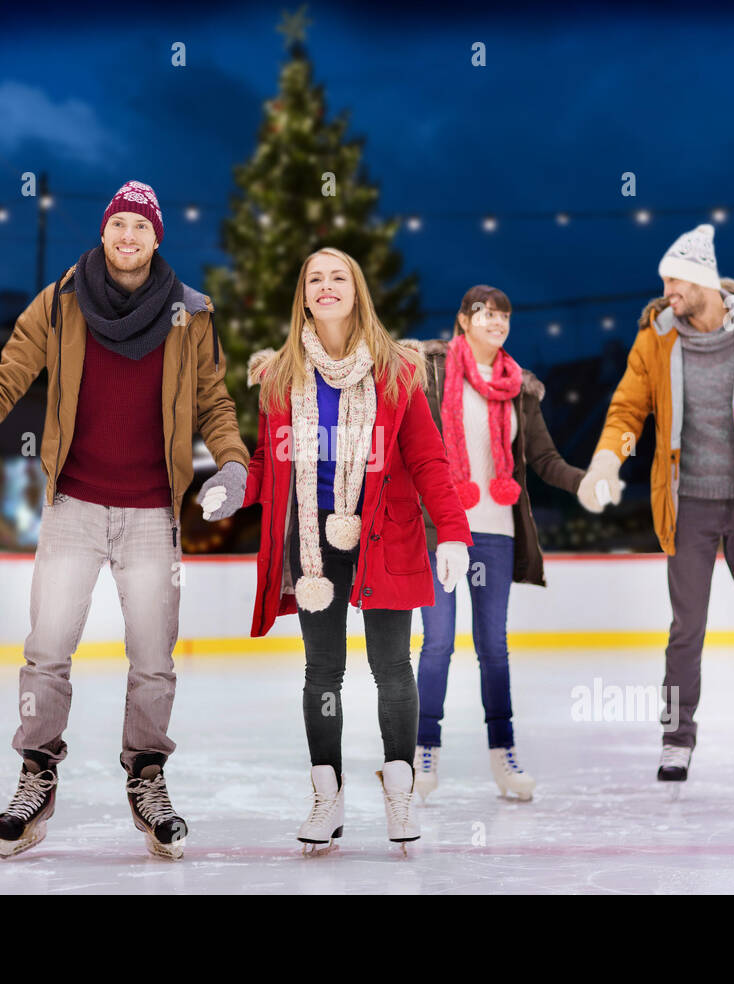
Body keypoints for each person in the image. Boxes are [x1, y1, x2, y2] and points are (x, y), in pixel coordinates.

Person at [0, 180, 250, 860]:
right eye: (119, 225)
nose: (129, 238)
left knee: (154, 660)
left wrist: (234, 463)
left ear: (159, 239)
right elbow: (6, 377)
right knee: (47, 650)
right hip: (74, 504)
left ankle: (148, 778)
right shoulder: (62, 301)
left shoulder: (191, 312)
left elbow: (214, 402)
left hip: (152, 513)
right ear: (105, 232)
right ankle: (36, 775)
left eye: (142, 228)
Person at [577, 224, 734, 793]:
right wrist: (605, 462)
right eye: (664, 280)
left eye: (674, 279)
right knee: (685, 631)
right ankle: (676, 740)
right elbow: (627, 413)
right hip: (688, 505)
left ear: (701, 280)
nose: (666, 289)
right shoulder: (656, 339)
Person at [238, 247, 472, 851]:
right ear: (303, 298)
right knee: (323, 671)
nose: (325, 286)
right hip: (313, 546)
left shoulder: (396, 371)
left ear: (357, 290)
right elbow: (269, 462)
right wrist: (233, 484)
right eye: (314, 279)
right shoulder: (283, 376)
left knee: (392, 668)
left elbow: (427, 458)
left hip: (384, 538)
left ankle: (400, 795)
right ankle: (328, 797)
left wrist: (452, 530)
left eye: (337, 276)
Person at [401, 286, 584, 801]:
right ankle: (424, 750)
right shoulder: (432, 373)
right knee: (436, 643)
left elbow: (545, 460)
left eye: (504, 313)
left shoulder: (520, 389)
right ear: (463, 320)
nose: (496, 320)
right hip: (441, 531)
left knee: (493, 648)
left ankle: (503, 754)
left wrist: (583, 482)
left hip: (496, 533)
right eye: (484, 313)